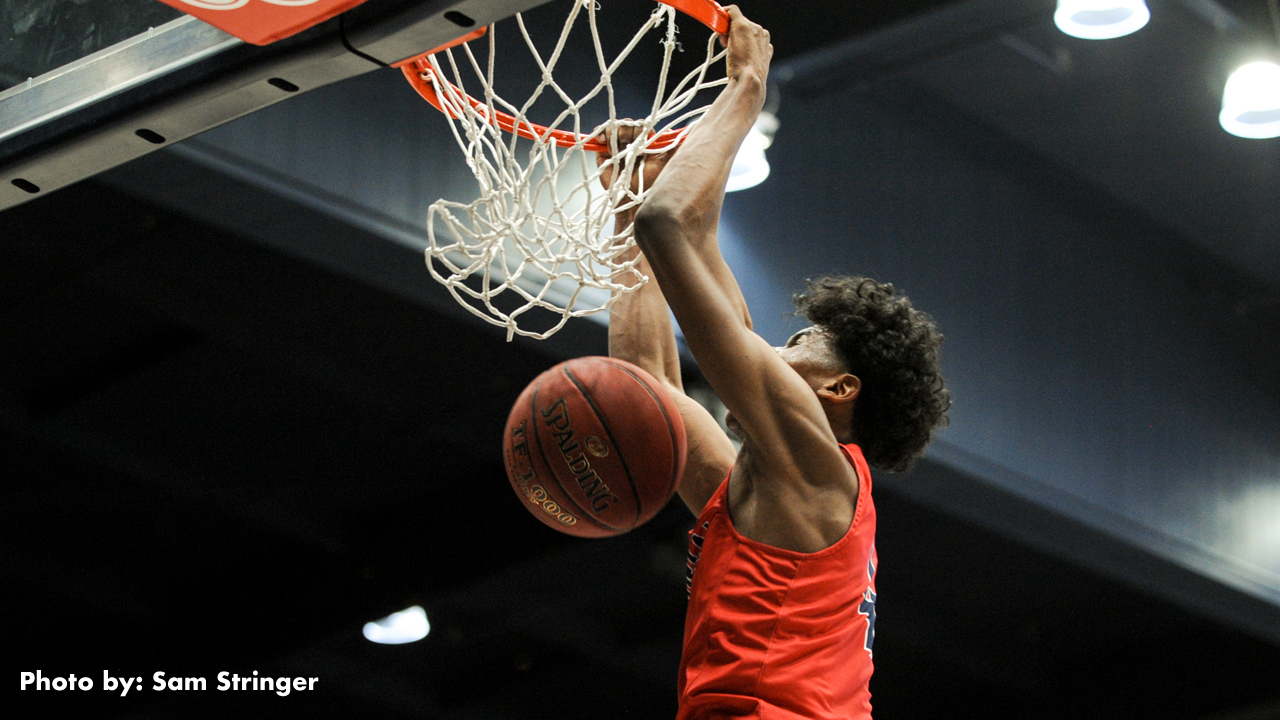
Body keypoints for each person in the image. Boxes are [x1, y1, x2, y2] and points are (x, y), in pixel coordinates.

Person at [597, 6, 951, 719]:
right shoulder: (766, 488)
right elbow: (647, 385)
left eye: (799, 344)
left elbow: (671, 224)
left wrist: (746, 89)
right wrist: (626, 199)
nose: (771, 347)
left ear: (839, 386)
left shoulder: (820, 470)